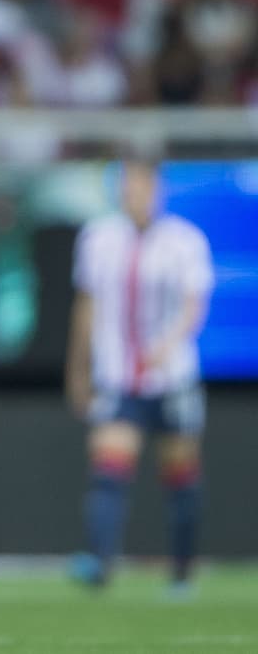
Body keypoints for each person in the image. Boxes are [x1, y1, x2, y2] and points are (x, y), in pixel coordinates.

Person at [65, 159, 213, 593]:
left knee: (180, 475)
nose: (134, 194)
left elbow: (194, 303)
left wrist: (169, 343)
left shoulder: (184, 240)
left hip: (172, 378)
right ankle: (100, 563)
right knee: (108, 470)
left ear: (157, 189)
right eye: (127, 186)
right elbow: (87, 305)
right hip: (118, 376)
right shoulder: (98, 238)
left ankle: (182, 571)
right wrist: (78, 368)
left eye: (141, 185)